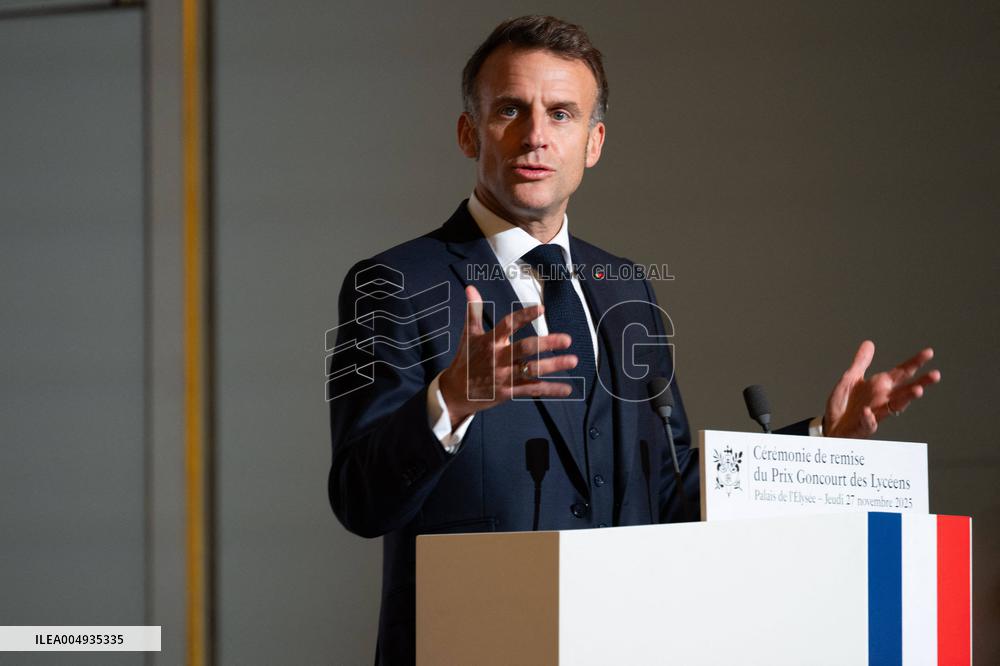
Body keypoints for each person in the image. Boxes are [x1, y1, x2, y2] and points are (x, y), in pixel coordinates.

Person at [326, 15, 940, 665]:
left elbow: (671, 491)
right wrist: (450, 400)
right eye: (512, 109)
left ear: (593, 143)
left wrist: (819, 443)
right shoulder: (391, 284)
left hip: (625, 642)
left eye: (562, 114)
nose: (536, 136)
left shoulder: (624, 287)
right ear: (467, 132)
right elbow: (360, 501)